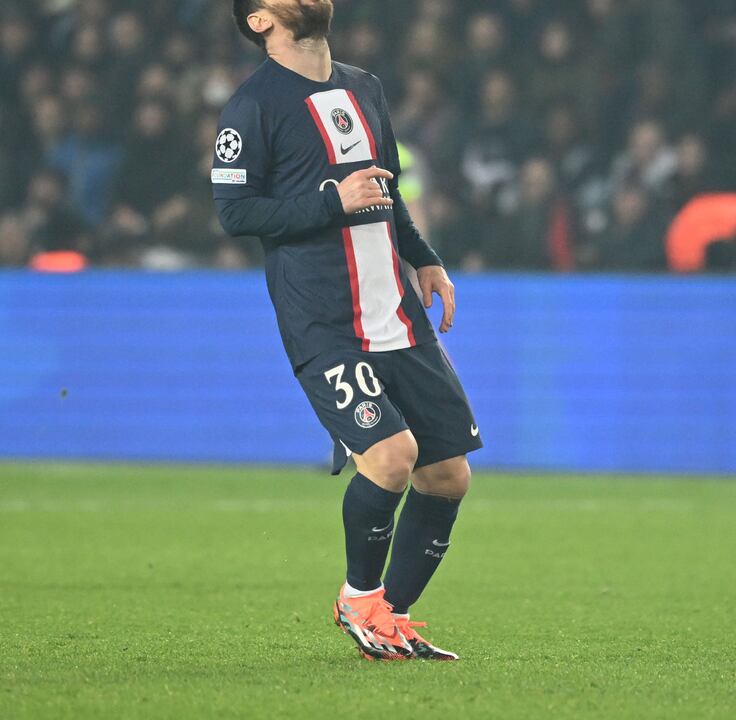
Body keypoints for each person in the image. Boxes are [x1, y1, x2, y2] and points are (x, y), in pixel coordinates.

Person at [215, 1, 481, 660]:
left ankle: (390, 618)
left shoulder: (365, 87)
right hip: (324, 318)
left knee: (448, 475)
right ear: (260, 21)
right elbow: (236, 212)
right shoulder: (252, 107)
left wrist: (423, 256)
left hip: (396, 309)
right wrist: (331, 200)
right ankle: (358, 597)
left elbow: (385, 190)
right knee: (391, 457)